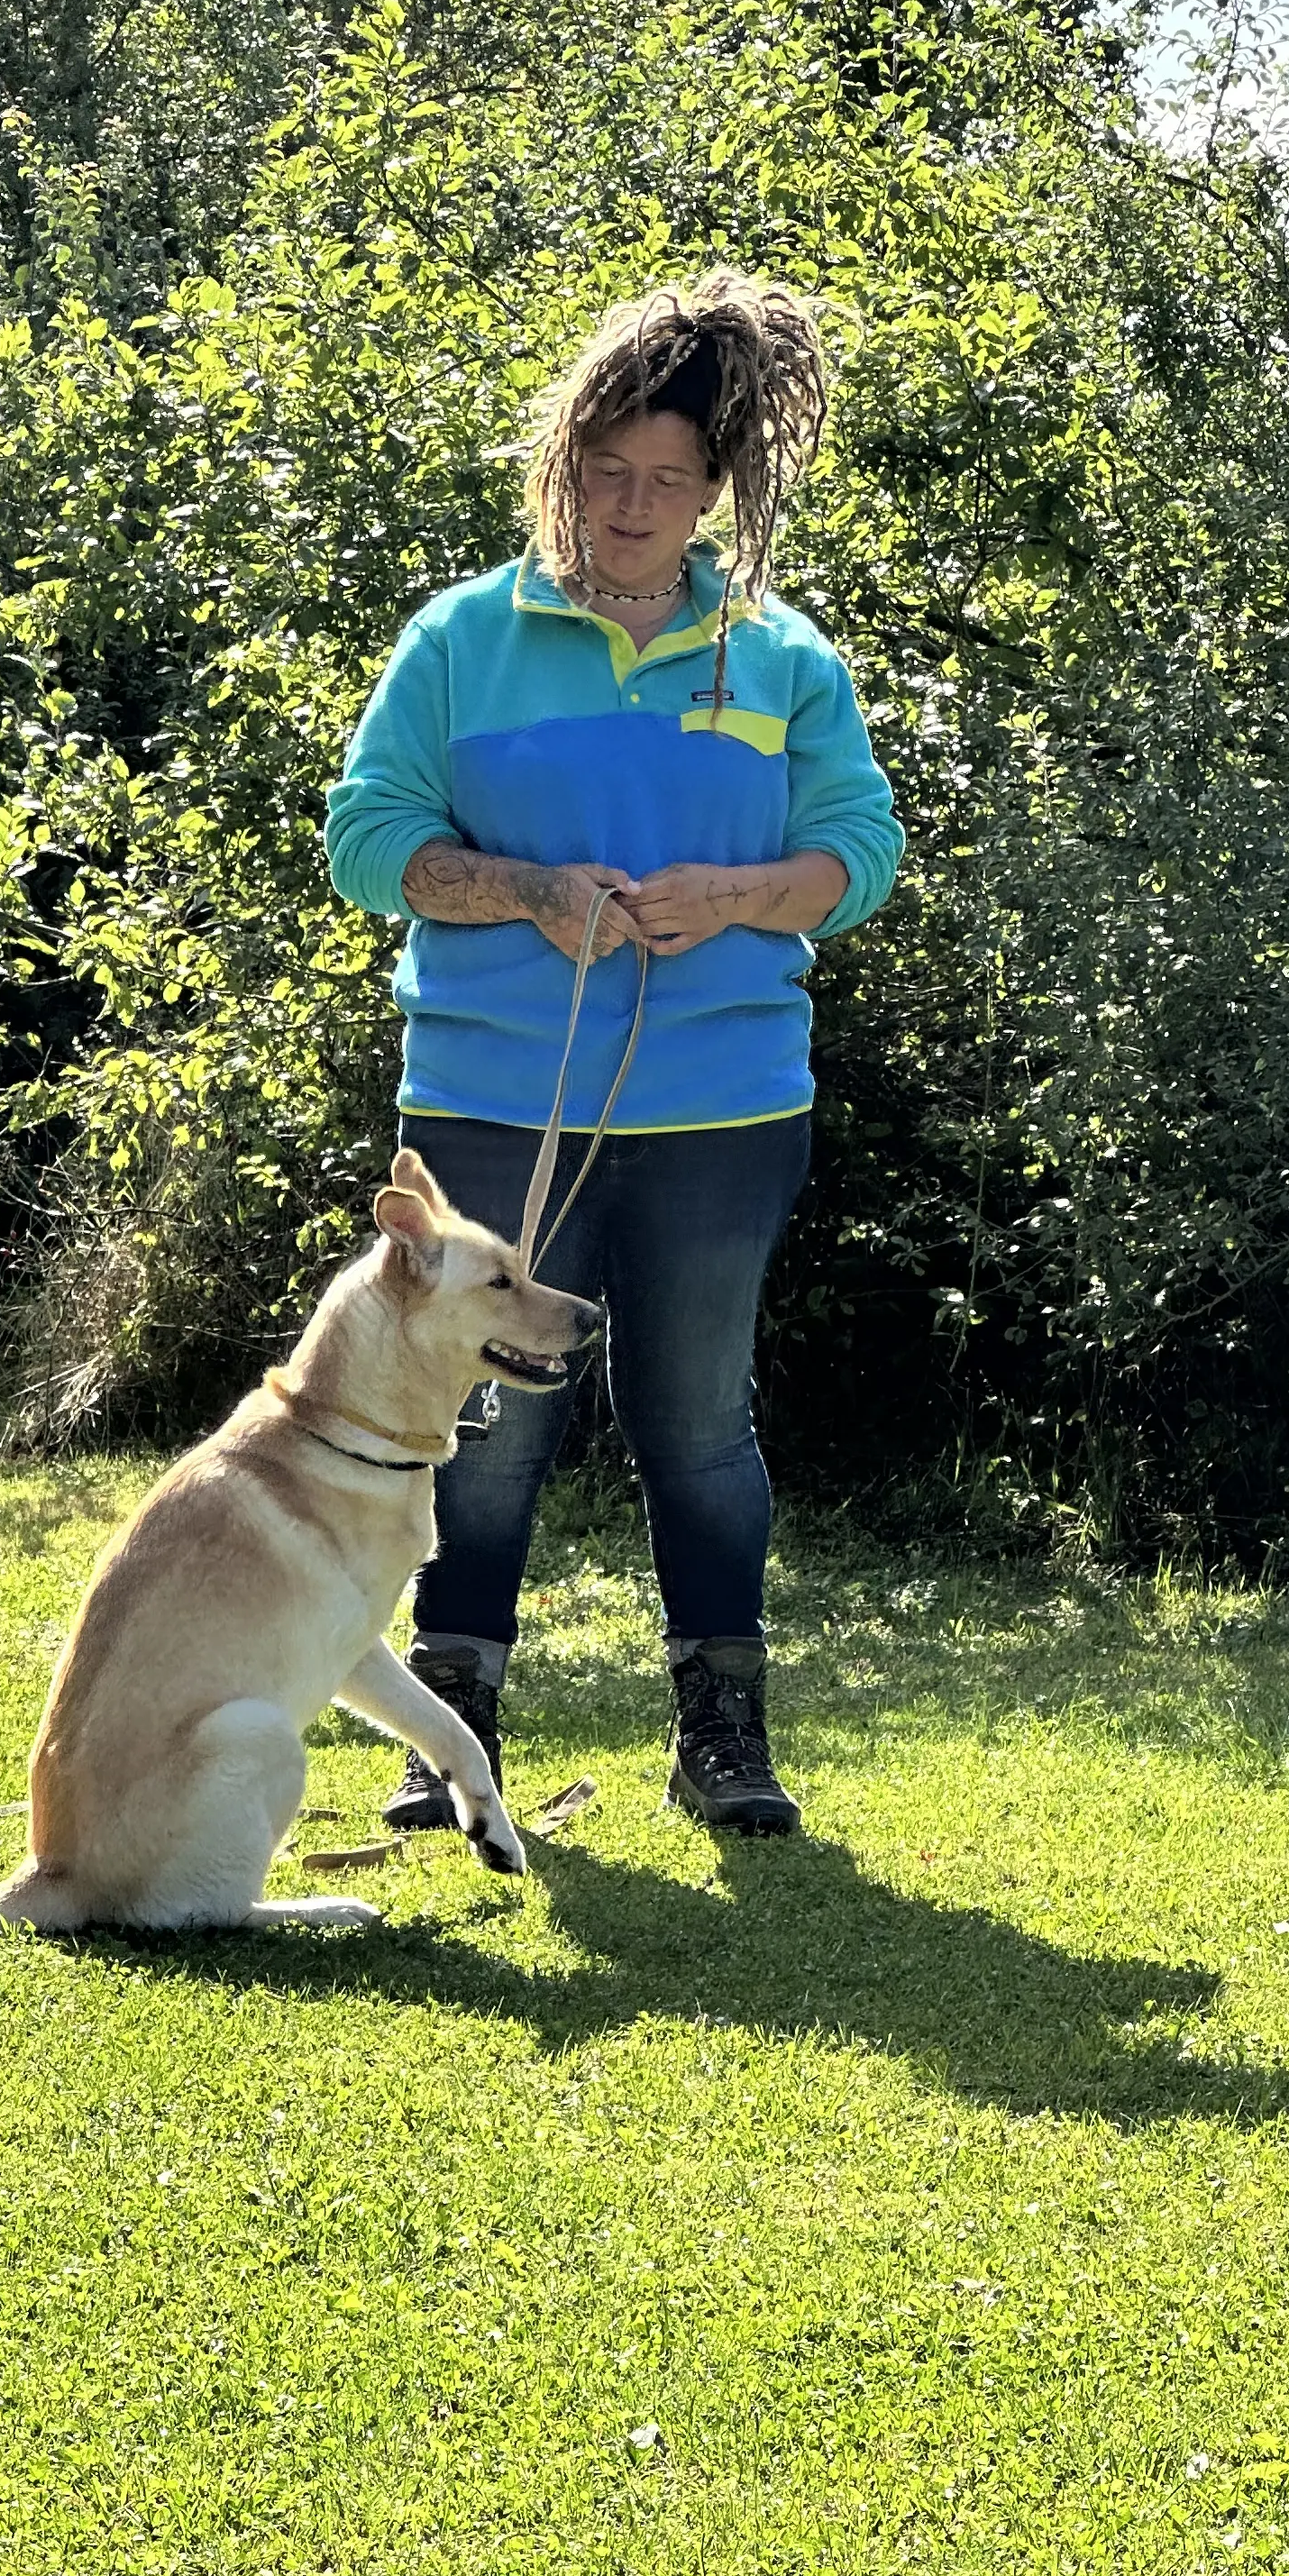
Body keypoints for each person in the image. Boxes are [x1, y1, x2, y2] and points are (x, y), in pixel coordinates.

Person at [322, 271, 903, 1834]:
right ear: (560, 465)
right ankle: (451, 1736)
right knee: (484, 1426)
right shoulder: (459, 639)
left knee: (699, 1424)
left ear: (716, 493)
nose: (631, 506)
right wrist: (528, 893)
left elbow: (861, 854)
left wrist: (737, 897)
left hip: (727, 1106)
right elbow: (368, 843)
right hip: (492, 1099)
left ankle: (723, 1741)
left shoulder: (781, 655)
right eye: (605, 470)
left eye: (668, 478)